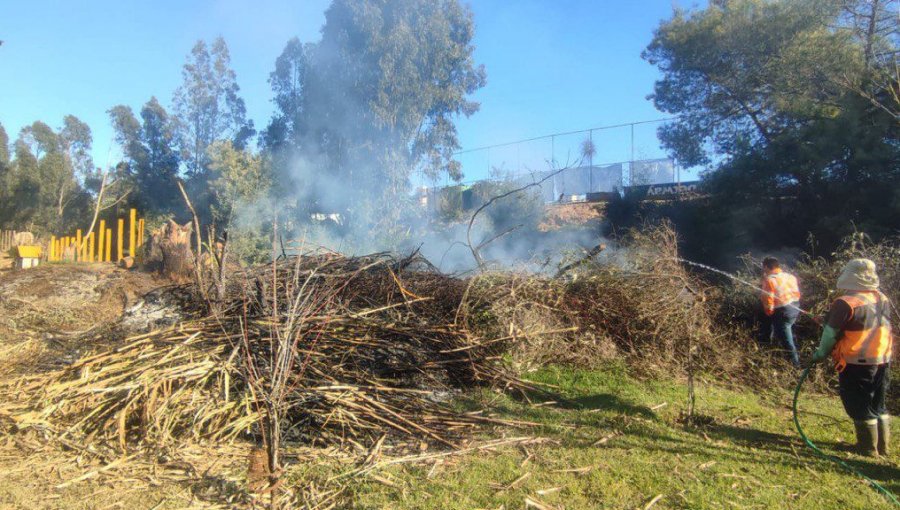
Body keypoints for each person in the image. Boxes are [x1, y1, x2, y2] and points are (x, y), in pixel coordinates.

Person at [812, 259, 892, 457]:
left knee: (859, 404)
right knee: (877, 403)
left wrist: (820, 354)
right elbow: (864, 323)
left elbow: (830, 334)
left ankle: (867, 448)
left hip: (857, 363)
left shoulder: (845, 302)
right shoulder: (881, 297)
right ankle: (882, 447)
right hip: (881, 359)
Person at [759, 256, 802, 366]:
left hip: (782, 312)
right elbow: (797, 293)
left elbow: (768, 300)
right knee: (790, 331)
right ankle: (799, 354)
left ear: (766, 267)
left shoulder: (769, 280)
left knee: (785, 339)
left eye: (763, 268)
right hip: (795, 307)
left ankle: (795, 365)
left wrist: (769, 313)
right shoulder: (790, 276)